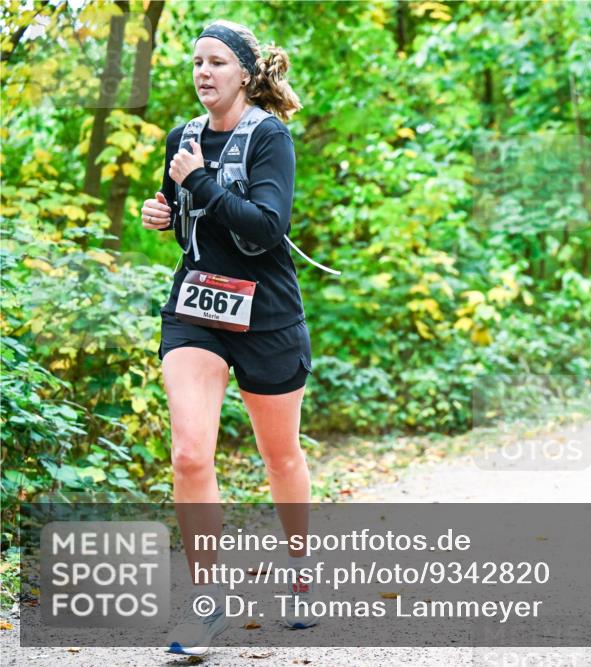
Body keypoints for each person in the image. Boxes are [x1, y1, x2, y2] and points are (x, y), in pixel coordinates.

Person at [140, 19, 318, 656]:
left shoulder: (270, 137)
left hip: (265, 316)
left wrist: (199, 184)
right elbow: (179, 209)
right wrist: (159, 210)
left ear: (245, 73)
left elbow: (267, 227)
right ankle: (207, 602)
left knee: (281, 457)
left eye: (216, 62)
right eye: (196, 62)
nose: (203, 73)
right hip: (196, 311)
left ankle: (301, 572)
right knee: (190, 453)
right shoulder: (181, 138)